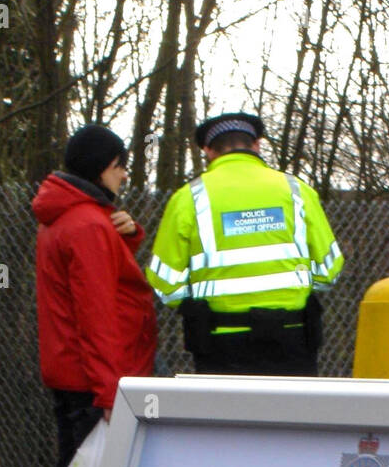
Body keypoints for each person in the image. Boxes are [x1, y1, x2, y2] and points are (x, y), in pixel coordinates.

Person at [33, 124, 157, 467]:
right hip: (95, 376)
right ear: (103, 167)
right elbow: (97, 313)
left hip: (73, 371)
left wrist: (122, 239)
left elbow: (92, 286)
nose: (124, 176)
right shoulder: (86, 224)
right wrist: (112, 393)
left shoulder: (66, 218)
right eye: (120, 166)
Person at [145, 112, 343, 375]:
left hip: (220, 343)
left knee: (228, 416)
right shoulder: (296, 190)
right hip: (292, 339)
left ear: (208, 150)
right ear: (256, 145)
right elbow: (329, 270)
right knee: (291, 415)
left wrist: (198, 303)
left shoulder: (188, 198)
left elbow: (165, 281)